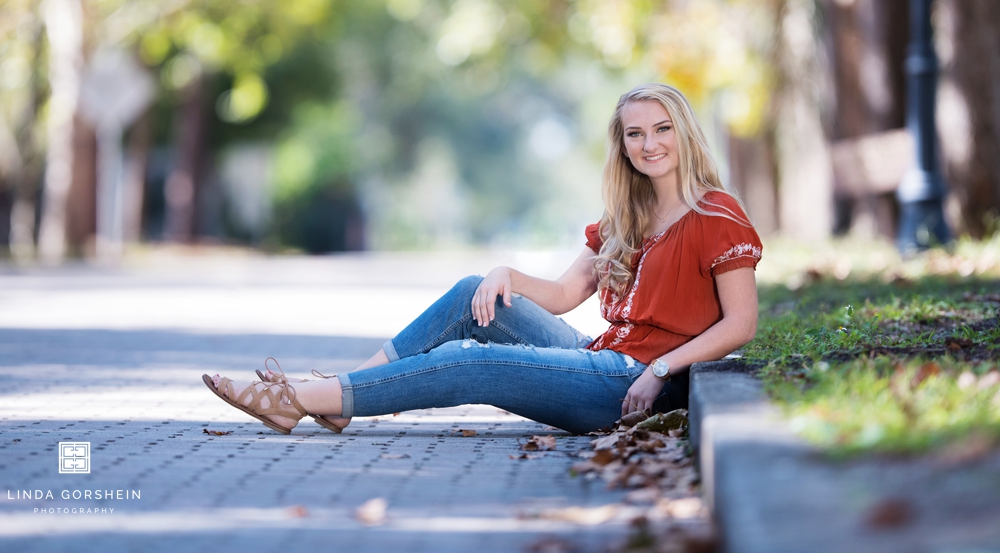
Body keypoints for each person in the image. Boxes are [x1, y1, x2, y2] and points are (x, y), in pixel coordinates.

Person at [203, 83, 762, 435]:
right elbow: (567, 294)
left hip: (635, 380)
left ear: (685, 134)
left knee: (474, 361)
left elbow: (741, 323)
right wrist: (506, 276)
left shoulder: (717, 214)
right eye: (635, 134)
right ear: (623, 147)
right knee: (474, 292)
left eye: (662, 129)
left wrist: (661, 369)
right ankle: (347, 393)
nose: (649, 144)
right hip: (600, 358)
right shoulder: (628, 217)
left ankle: (298, 398)